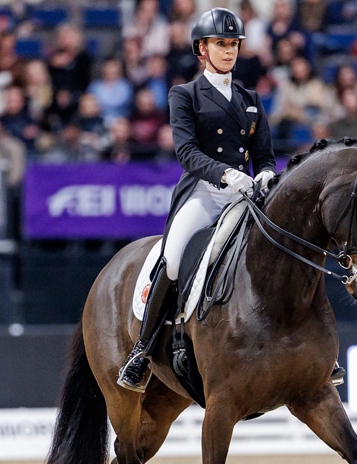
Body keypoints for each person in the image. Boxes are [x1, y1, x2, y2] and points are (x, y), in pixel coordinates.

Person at [116, 7, 277, 392]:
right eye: (221, 44)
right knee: (170, 260)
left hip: (245, 196)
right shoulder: (184, 95)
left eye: (234, 44)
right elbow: (186, 152)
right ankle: (142, 350)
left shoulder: (250, 99)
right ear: (202, 49)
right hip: (205, 193)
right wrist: (226, 173)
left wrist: (266, 172)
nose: (229, 51)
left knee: (282, 249)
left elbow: (265, 155)